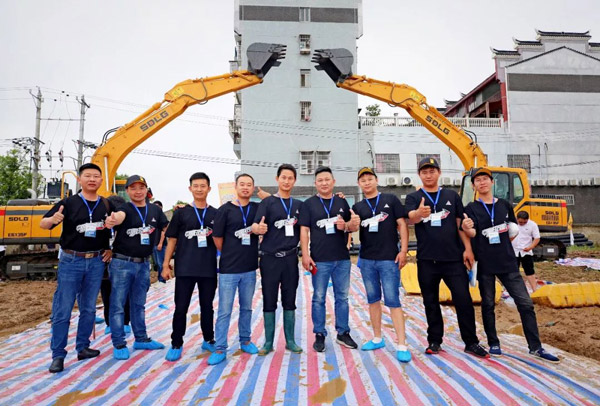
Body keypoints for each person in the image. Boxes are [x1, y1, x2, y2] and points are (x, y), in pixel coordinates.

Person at [464, 167, 559, 362]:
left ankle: (535, 347)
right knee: (488, 304)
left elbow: (513, 230)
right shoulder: (471, 208)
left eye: (485, 179)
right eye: (478, 180)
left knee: (525, 303)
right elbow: (473, 233)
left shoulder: (505, 205)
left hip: (507, 262)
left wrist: (504, 244)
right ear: (473, 186)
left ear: (492, 182)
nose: (482, 182)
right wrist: (467, 228)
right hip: (485, 263)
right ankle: (493, 342)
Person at [404, 157, 488, 358]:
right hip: (427, 260)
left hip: (453, 259)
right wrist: (419, 213)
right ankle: (434, 340)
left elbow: (460, 224)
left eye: (432, 171)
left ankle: (471, 342)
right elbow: (409, 219)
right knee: (430, 302)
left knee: (463, 300)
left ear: (439, 173)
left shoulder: (451, 195)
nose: (428, 175)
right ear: (419, 175)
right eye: (424, 172)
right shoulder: (414, 197)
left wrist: (468, 249)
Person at [41, 163, 114, 373]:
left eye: (96, 176)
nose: (92, 179)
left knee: (89, 308)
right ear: (80, 179)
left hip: (96, 262)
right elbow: (44, 224)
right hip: (71, 261)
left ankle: (83, 347)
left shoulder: (106, 204)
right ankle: (58, 355)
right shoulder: (68, 203)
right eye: (88, 176)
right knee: (63, 309)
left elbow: (115, 225)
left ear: (101, 181)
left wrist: (109, 248)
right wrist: (52, 219)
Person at [104, 175, 169, 360]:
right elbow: (118, 218)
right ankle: (119, 343)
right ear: (127, 191)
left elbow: (168, 227)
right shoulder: (125, 209)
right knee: (118, 304)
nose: (138, 191)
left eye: (141, 188)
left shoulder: (154, 210)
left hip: (143, 264)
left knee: (139, 304)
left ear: (147, 190)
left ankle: (141, 338)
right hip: (122, 263)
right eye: (133, 188)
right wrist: (113, 220)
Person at [352, 167, 411, 362]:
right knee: (373, 299)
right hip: (367, 260)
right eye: (363, 180)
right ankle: (377, 338)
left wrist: (403, 250)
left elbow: (402, 224)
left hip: (389, 259)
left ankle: (402, 344)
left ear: (376, 180)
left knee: (393, 300)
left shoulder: (390, 199)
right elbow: (351, 226)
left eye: (370, 179)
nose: (367, 182)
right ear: (359, 184)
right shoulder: (358, 206)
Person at [299, 166, 360, 352]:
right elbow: (304, 230)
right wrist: (305, 254)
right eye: (320, 180)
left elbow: (352, 226)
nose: (324, 183)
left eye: (327, 180)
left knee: (342, 297)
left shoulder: (342, 201)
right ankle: (319, 334)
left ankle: (343, 332)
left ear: (333, 182)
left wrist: (347, 226)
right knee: (318, 298)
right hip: (320, 259)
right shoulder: (308, 204)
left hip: (342, 259)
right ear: (315, 183)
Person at [162, 172, 219, 361]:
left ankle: (208, 339)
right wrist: (165, 265)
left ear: (209, 189)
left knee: (207, 307)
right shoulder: (181, 213)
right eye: (196, 186)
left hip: (208, 269)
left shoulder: (216, 214)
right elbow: (171, 240)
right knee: (181, 307)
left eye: (203, 186)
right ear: (190, 188)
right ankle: (176, 342)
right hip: (185, 268)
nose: (199, 189)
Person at [208, 173, 260, 365]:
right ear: (236, 187)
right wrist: (230, 252)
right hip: (229, 269)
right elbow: (217, 238)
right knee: (225, 310)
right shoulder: (225, 210)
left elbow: (274, 205)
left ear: (253, 188)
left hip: (249, 268)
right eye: (242, 184)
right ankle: (220, 347)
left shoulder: (256, 208)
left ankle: (245, 340)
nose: (245, 187)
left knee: (246, 307)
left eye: (249, 184)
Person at [251, 164, 303, 355]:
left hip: (290, 259)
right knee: (269, 299)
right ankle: (268, 342)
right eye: (283, 177)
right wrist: (257, 229)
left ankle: (290, 341)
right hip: (270, 259)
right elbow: (255, 225)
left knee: (290, 299)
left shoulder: (299, 205)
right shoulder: (267, 203)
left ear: (294, 181)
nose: (286, 181)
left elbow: (305, 229)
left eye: (290, 178)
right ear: (277, 179)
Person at [100, 194, 132, 335]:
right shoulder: (103, 224)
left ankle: (125, 322)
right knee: (107, 293)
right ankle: (109, 323)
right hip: (105, 265)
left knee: (124, 294)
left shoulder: (126, 224)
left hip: (122, 264)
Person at [512, 211, 541, 292]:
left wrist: (530, 247)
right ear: (517, 219)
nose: (522, 224)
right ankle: (513, 289)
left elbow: (537, 238)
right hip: (513, 251)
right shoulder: (511, 224)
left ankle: (534, 290)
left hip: (526, 251)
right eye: (520, 222)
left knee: (529, 271)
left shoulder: (533, 225)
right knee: (513, 272)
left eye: (525, 222)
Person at [153, 200, 168, 283]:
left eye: (157, 206)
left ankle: (162, 280)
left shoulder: (162, 217)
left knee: (161, 263)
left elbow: (164, 231)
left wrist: (160, 243)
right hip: (154, 244)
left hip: (160, 245)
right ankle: (160, 279)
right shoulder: (152, 217)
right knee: (157, 264)